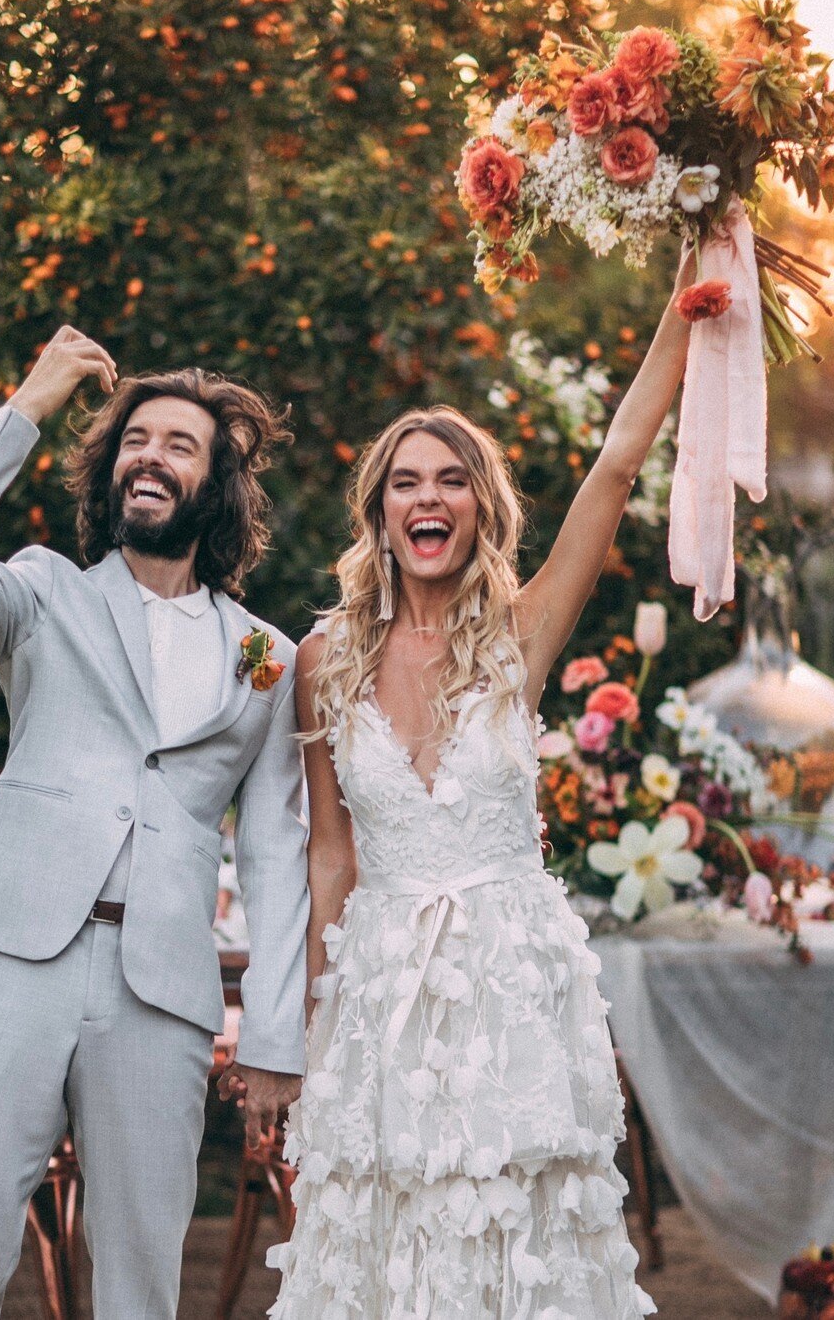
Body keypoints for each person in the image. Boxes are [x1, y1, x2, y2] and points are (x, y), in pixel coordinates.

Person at [256, 260, 696, 1317]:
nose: (428, 497)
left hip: (511, 988)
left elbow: (618, 463)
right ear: (380, 510)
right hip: (382, 992)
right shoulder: (323, 661)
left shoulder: (521, 635)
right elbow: (330, 852)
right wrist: (318, 1029)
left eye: (450, 479)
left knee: (518, 1236)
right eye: (406, 480)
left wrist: (690, 292)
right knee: (386, 1234)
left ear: (479, 506)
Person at [0, 326, 308, 1319]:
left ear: (216, 485)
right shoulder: (44, 594)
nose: (147, 456)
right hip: (20, 958)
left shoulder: (265, 656)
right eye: (134, 439)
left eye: (177, 443)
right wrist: (31, 403)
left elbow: (273, 854)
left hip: (161, 989)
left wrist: (276, 1032)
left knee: (138, 1278)